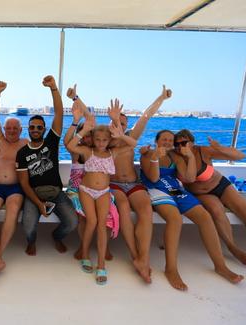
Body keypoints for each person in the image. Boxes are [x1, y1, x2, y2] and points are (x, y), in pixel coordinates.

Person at [140, 130, 244, 290]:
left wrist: (189, 157)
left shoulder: (174, 156)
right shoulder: (147, 154)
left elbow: (189, 178)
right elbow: (153, 178)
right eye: (164, 139)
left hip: (174, 189)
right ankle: (171, 269)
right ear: (156, 141)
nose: (167, 142)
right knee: (175, 219)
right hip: (156, 189)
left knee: (205, 217)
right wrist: (155, 157)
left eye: (170, 140)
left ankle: (220, 266)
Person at [174, 129, 246, 264]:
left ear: (192, 142)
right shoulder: (176, 157)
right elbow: (190, 179)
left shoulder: (203, 151)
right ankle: (232, 247)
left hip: (221, 185)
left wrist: (219, 148)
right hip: (201, 193)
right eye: (177, 144)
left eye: (184, 143)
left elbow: (240, 156)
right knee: (216, 210)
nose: (181, 147)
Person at [109, 86, 172, 283]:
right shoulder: (104, 140)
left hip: (134, 183)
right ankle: (135, 255)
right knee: (124, 208)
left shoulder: (131, 138)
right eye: (116, 122)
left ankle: (143, 257)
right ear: (111, 123)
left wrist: (161, 98)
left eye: (123, 123)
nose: (120, 125)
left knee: (145, 209)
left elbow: (146, 116)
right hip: (115, 184)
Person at [66, 112, 137, 285]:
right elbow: (70, 145)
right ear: (93, 138)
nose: (100, 143)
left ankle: (101, 264)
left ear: (109, 140)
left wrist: (120, 134)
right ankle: (84, 254)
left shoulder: (113, 153)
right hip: (86, 190)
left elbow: (133, 144)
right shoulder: (87, 151)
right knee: (91, 221)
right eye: (97, 139)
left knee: (102, 223)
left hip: (104, 192)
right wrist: (84, 131)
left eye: (104, 140)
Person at [16, 75, 77, 257]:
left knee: (72, 223)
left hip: (56, 192)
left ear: (44, 129)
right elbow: (24, 183)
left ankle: (57, 237)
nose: (35, 130)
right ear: (28, 129)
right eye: (32, 127)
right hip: (33, 194)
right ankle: (31, 241)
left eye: (39, 127)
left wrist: (53, 88)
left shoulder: (51, 142)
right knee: (27, 226)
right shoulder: (22, 153)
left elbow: (59, 113)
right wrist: (38, 203)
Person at [63, 86, 118, 261]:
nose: (87, 138)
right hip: (77, 188)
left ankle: (102, 249)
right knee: (85, 217)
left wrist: (76, 98)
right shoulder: (80, 150)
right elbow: (68, 142)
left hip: (99, 190)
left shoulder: (98, 149)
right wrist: (80, 127)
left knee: (107, 214)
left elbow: (92, 119)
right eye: (86, 135)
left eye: (89, 135)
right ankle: (83, 249)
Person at [0, 81, 28, 279]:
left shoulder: (26, 144)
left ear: (20, 130)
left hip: (16, 188)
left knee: (12, 210)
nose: (10, 131)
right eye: (8, 128)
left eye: (14, 129)